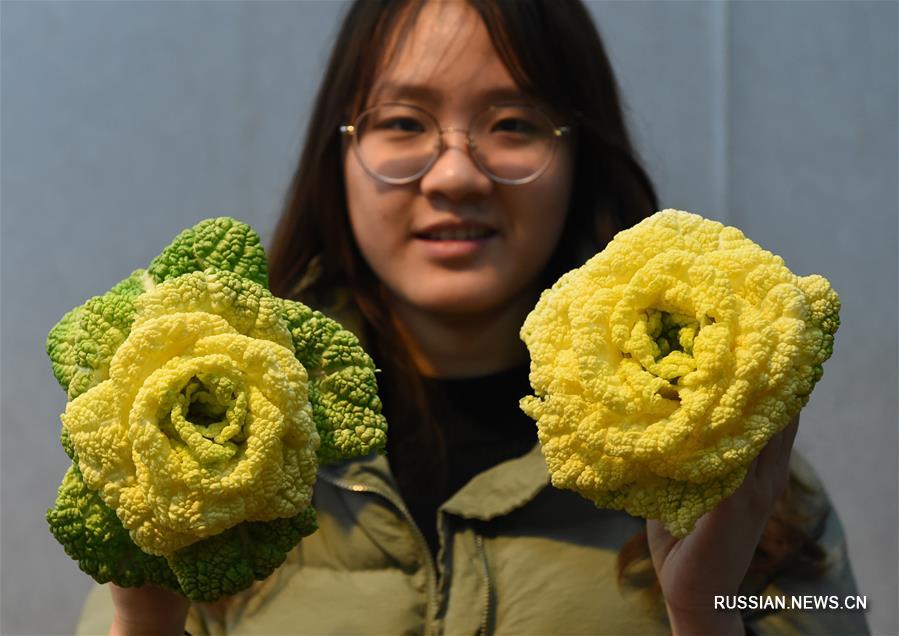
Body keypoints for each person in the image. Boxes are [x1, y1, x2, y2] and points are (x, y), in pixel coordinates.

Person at [77, 1, 869, 634]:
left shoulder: (733, 473)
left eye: (513, 123)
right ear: (338, 157)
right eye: (401, 122)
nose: (454, 173)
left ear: (579, 158)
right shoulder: (191, 450)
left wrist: (701, 616)